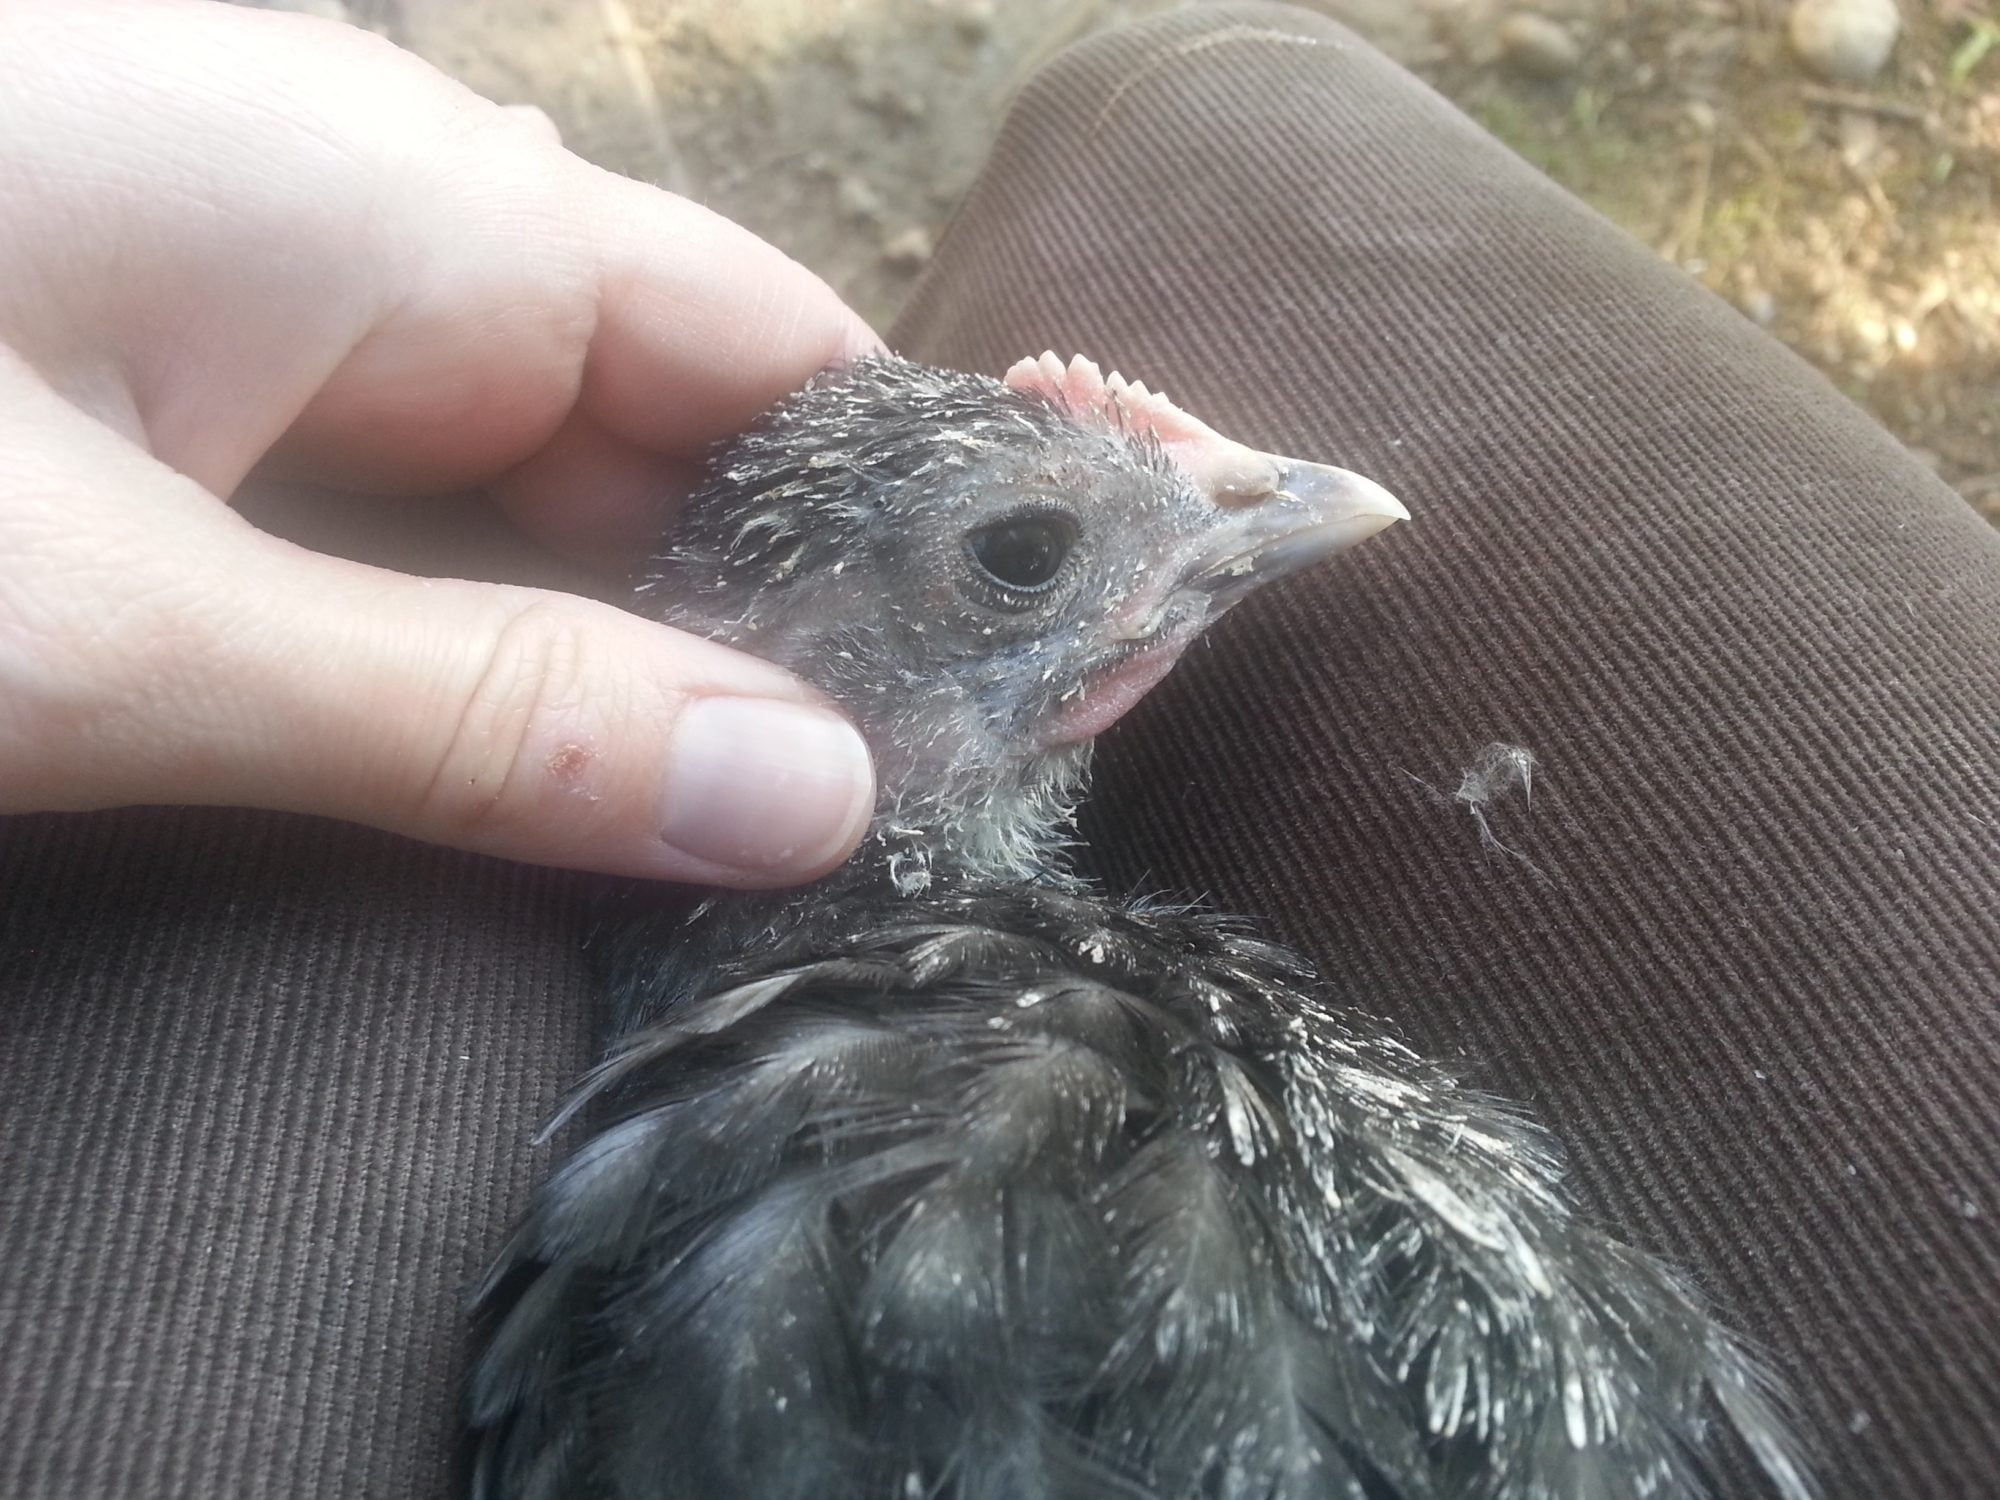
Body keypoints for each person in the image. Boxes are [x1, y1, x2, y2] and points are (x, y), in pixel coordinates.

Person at [2, 3, 1994, 1498]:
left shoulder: (812, 1184)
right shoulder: (851, 1203)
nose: (1278, 496)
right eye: (1017, 560)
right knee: (1208, 81)